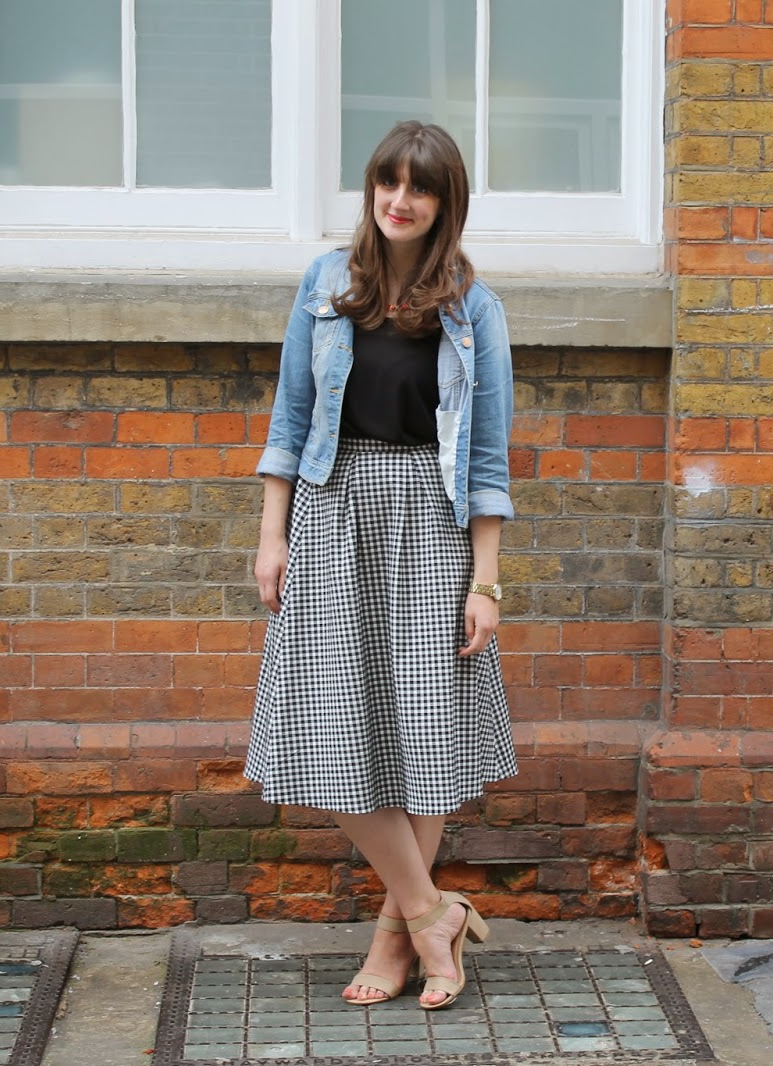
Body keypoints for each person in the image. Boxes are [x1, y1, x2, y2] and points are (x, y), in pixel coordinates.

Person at [244, 121, 517, 1011]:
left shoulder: (474, 309)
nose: (400, 201)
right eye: (387, 182)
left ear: (445, 203)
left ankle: (397, 938)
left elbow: (486, 458)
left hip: (430, 524)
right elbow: (290, 420)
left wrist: (486, 581)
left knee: (423, 728)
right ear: (370, 189)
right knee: (328, 727)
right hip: (332, 513)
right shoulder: (327, 284)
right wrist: (272, 535)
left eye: (420, 187)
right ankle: (436, 912)